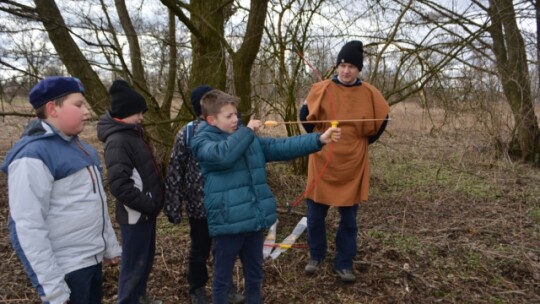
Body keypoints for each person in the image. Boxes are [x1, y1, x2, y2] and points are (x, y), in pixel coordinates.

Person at [190, 89, 341, 304]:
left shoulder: (244, 136)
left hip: (254, 219)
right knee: (222, 280)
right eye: (229, 116)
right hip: (228, 222)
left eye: (236, 114)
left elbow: (279, 146)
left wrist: (319, 139)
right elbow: (223, 156)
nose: (236, 120)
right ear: (211, 119)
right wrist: (247, 132)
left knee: (255, 275)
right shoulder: (201, 140)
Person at [1, 76, 122, 304]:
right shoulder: (32, 156)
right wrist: (53, 288)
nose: (87, 111)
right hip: (67, 270)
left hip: (90, 262)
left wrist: (109, 246)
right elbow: (27, 226)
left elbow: (95, 202)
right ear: (52, 109)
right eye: (78, 105)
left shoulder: (82, 148)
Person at [299, 40, 390, 283]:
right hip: (322, 161)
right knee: (315, 217)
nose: (346, 70)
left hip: (353, 163)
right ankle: (316, 256)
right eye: (342, 65)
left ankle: (344, 263)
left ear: (359, 69)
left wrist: (361, 143)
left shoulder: (370, 93)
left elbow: (382, 121)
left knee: (349, 221)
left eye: (351, 66)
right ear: (337, 67)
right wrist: (311, 127)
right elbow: (307, 122)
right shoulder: (322, 88)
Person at [164, 85, 245, 304]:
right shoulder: (188, 132)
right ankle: (197, 288)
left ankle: (226, 287)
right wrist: (173, 205)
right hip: (199, 206)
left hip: (226, 203)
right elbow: (175, 170)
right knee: (199, 249)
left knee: (225, 249)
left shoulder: (231, 130)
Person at [96, 79, 164, 304]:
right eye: (137, 112)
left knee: (144, 262)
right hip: (136, 215)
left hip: (146, 213)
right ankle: (128, 300)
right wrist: (148, 204)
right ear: (125, 112)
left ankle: (140, 298)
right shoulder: (118, 141)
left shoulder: (132, 134)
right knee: (133, 267)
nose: (141, 117)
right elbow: (119, 185)